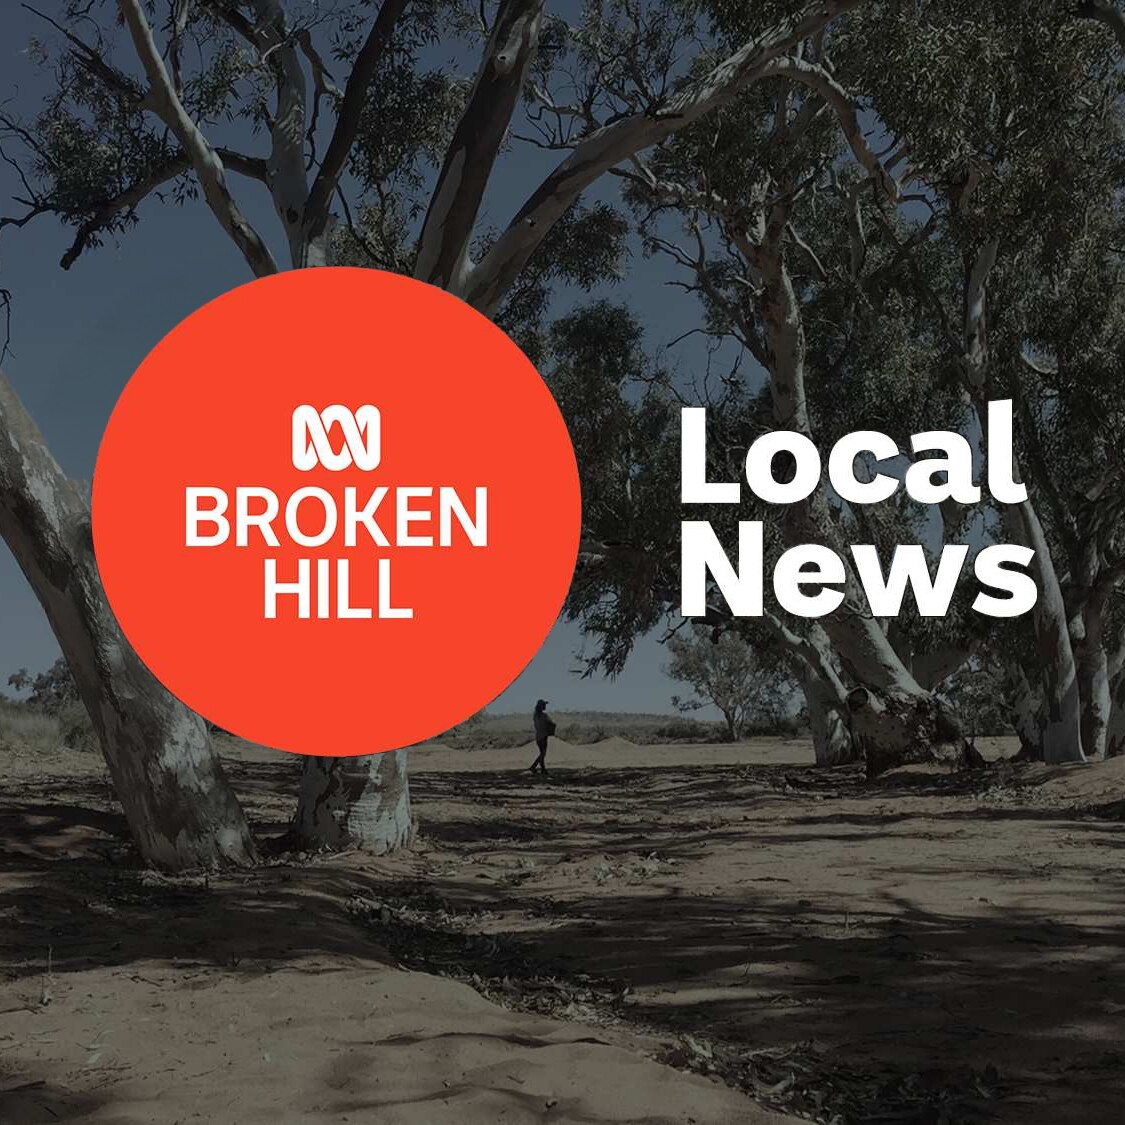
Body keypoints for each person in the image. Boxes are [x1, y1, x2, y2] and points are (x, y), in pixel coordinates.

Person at [529, 699, 555, 774]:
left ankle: (543, 769)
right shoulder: (544, 716)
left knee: (542, 753)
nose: (545, 706)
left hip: (538, 737)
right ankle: (533, 766)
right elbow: (551, 723)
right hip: (543, 736)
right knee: (543, 753)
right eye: (544, 705)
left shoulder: (535, 716)